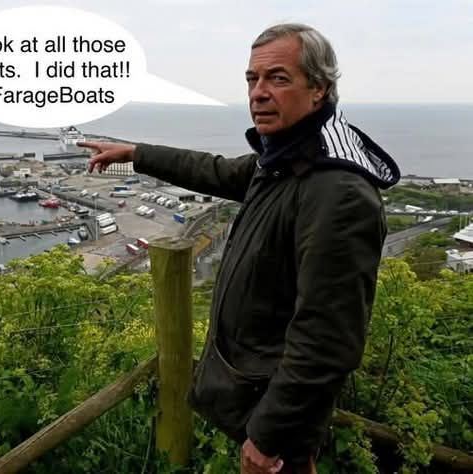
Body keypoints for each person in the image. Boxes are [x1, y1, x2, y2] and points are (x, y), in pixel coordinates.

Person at [79, 23, 400, 474]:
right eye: (253, 79)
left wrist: (268, 435)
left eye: (278, 78)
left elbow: (327, 340)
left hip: (275, 419)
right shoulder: (288, 160)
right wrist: (136, 153)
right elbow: (213, 170)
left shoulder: (337, 192)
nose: (259, 93)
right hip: (255, 397)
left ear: (319, 90)